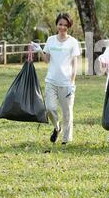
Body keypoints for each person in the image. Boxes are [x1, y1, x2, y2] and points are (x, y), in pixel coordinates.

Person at [31, 13, 81, 145]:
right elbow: (47, 60)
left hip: (66, 83)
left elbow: (75, 64)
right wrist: (39, 50)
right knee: (49, 108)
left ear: (68, 26)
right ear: (57, 25)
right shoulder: (51, 40)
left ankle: (66, 140)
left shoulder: (73, 42)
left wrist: (72, 82)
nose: (62, 27)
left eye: (65, 25)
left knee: (67, 113)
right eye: (60, 24)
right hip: (51, 81)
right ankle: (57, 128)